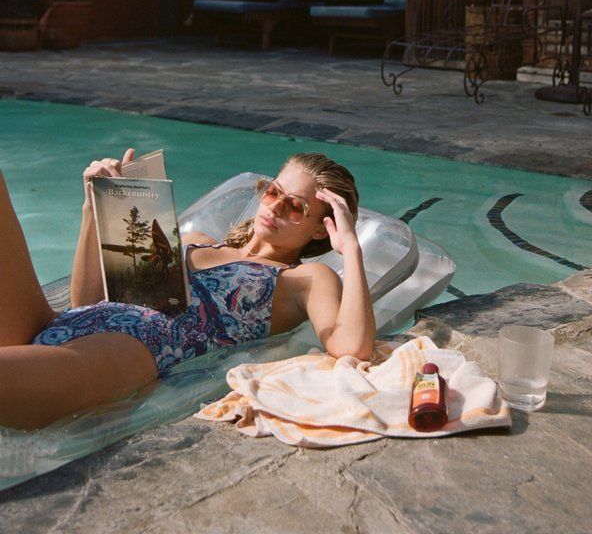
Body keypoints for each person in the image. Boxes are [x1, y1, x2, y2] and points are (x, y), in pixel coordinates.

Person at [0, 151, 375, 430]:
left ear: (317, 229)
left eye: (295, 206)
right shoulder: (194, 241)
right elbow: (89, 300)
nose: (275, 207)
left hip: (130, 351)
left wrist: (351, 249)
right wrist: (94, 207)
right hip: (65, 322)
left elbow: (351, 347)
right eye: (273, 191)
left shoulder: (306, 279)